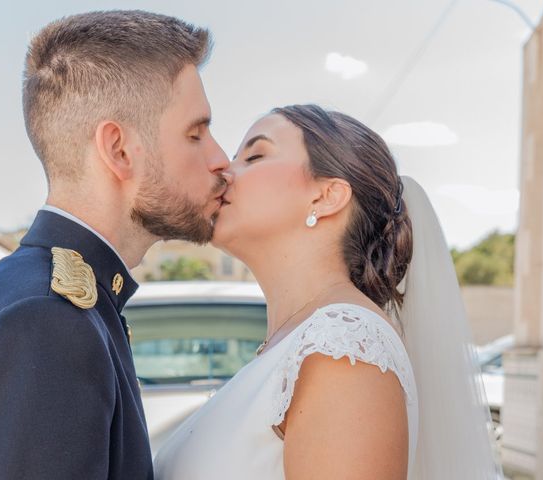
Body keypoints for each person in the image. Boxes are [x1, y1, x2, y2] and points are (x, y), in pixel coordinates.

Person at [0, 10, 228, 480]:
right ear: (120, 150)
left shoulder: (54, 301)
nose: (220, 160)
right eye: (195, 133)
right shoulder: (46, 321)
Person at [154, 105, 502, 479]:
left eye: (254, 155)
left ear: (326, 197)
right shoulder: (295, 344)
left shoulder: (345, 350)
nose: (223, 168)